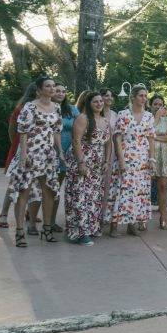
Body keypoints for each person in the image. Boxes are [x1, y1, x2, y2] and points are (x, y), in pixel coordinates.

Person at [6, 76, 65, 247]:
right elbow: (22, 132)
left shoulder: (57, 108)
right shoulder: (29, 107)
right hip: (31, 153)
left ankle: (46, 229)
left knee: (49, 192)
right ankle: (19, 232)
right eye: (48, 86)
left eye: (54, 86)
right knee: (24, 191)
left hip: (48, 154)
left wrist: (59, 152)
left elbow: (56, 132)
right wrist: (24, 155)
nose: (52, 89)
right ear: (39, 89)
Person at [108, 85, 154, 237]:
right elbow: (117, 138)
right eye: (140, 95)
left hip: (142, 158)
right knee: (121, 190)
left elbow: (151, 139)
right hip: (126, 156)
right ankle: (114, 226)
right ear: (133, 97)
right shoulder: (124, 114)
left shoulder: (148, 116)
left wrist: (151, 159)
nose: (143, 99)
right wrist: (121, 160)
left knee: (138, 192)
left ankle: (132, 224)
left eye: (145, 96)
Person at [65, 92, 110, 245]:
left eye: (101, 101)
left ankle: (92, 228)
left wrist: (107, 161)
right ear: (88, 103)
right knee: (80, 196)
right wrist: (81, 163)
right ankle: (80, 232)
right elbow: (76, 141)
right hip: (81, 161)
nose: (99, 104)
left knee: (94, 197)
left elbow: (108, 143)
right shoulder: (83, 118)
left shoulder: (105, 120)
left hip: (97, 164)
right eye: (95, 102)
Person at [0, 81, 39, 229]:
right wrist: (18, 148)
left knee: (34, 183)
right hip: (21, 149)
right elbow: (12, 130)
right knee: (14, 184)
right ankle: (3, 214)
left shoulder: (47, 109)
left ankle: (28, 212)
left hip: (38, 150)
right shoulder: (21, 109)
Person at [49, 83, 79, 234]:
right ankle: (40, 220)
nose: (60, 93)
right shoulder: (47, 108)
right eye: (57, 91)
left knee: (57, 189)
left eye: (63, 91)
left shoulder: (72, 110)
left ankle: (52, 221)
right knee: (47, 188)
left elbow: (81, 127)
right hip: (49, 151)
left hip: (68, 153)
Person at [149, 94, 167, 229]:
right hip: (149, 155)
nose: (158, 107)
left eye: (161, 104)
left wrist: (155, 137)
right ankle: (141, 218)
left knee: (162, 186)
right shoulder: (146, 118)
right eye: (155, 104)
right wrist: (156, 119)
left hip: (164, 156)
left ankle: (163, 216)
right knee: (144, 187)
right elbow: (146, 133)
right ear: (151, 106)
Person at [98, 87, 118, 234]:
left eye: (111, 96)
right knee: (97, 183)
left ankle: (104, 214)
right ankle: (95, 214)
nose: (109, 98)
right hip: (96, 150)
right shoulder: (94, 113)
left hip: (111, 151)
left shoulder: (115, 115)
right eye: (106, 95)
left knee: (108, 183)